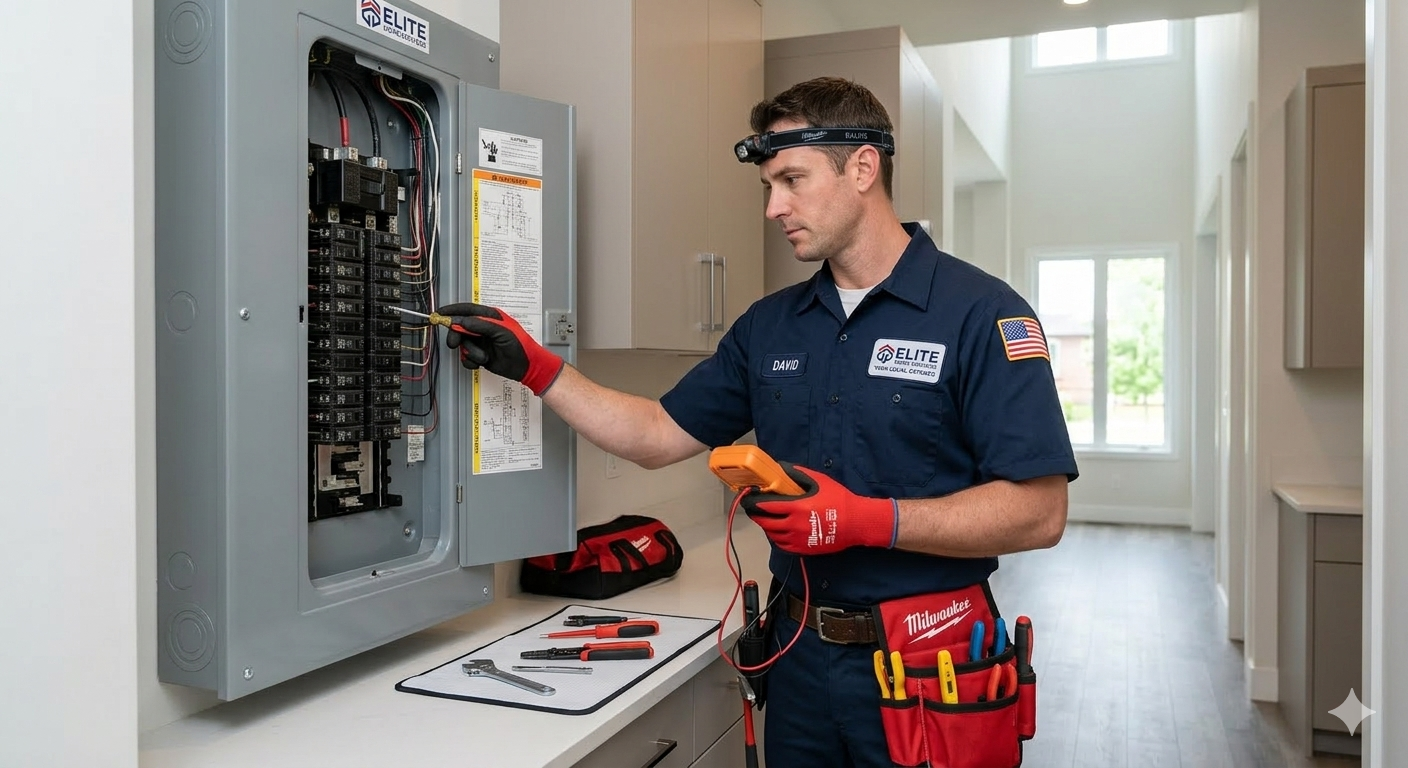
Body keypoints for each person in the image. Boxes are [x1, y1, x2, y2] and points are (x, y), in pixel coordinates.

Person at [437, 76, 1077, 768]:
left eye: (793, 180)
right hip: (798, 657)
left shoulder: (983, 315)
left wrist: (866, 521)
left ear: (863, 167)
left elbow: (1039, 513)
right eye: (768, 187)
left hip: (929, 658)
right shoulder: (771, 326)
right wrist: (538, 368)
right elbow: (655, 435)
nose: (774, 207)